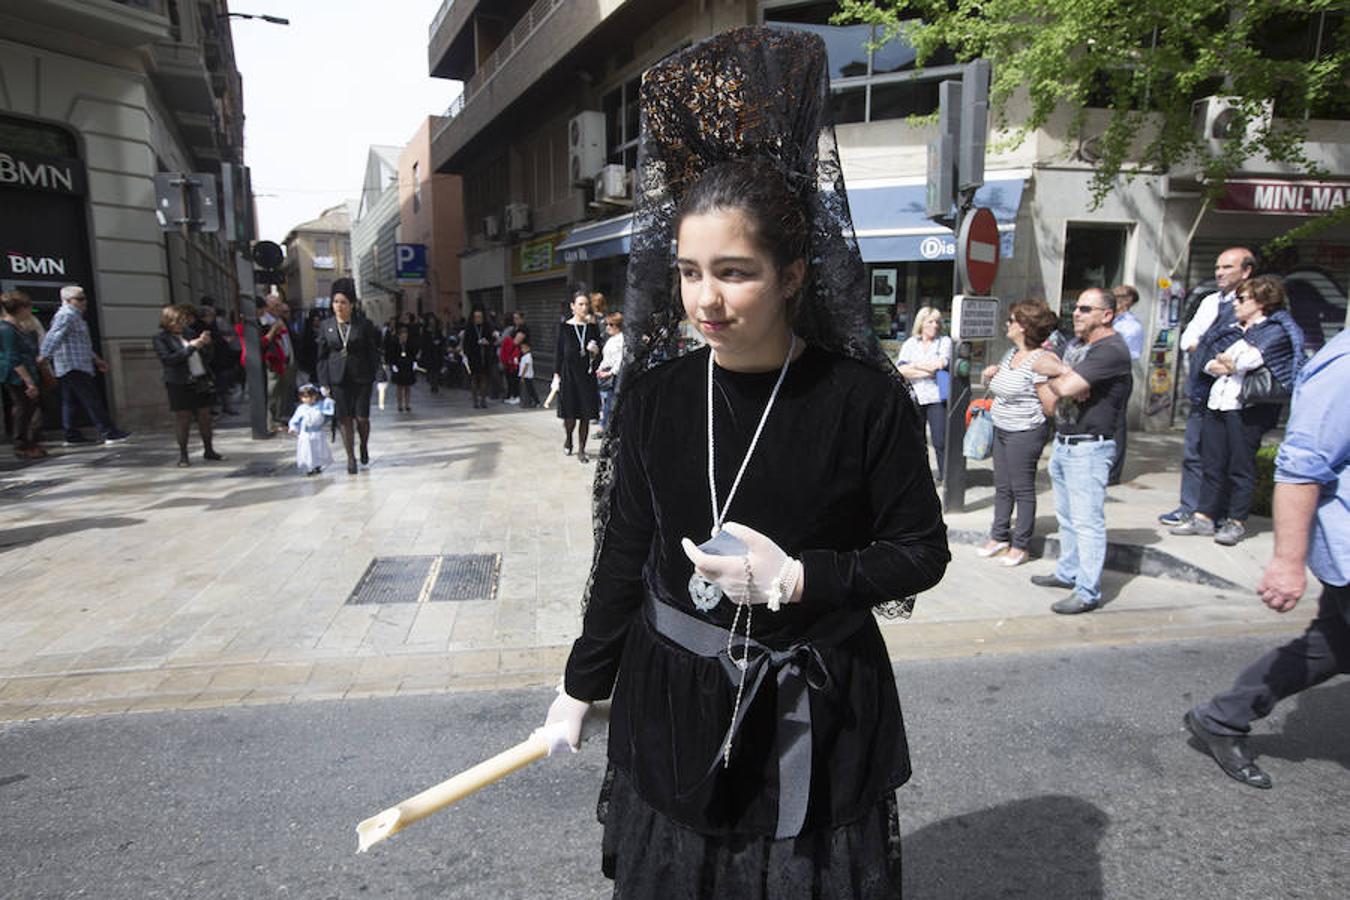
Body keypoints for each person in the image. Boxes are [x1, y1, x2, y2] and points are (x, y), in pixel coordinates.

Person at [540, 29, 949, 899]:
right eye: (689, 273)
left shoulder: (862, 400)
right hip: (673, 695)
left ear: (795, 273)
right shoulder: (655, 398)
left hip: (816, 697)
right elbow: (624, 555)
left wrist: (800, 578)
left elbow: (920, 552)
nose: (706, 301)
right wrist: (581, 684)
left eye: (735, 272)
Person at [1184, 326, 1349, 789]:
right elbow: (1300, 468)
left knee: (1330, 647)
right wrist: (1287, 561)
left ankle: (1222, 717)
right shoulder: (1346, 365)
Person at [1170, 275, 1303, 546]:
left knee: (1240, 466)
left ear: (1262, 302)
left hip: (1247, 408)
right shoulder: (1231, 328)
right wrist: (1221, 362)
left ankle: (1236, 520)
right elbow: (1206, 358)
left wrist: (1229, 362)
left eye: (1242, 299)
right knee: (1212, 461)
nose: (1236, 304)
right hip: (1217, 402)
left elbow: (1246, 361)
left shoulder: (1275, 331)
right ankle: (1204, 516)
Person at [1029, 287, 1133, 614]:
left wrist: (1062, 380)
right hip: (1064, 442)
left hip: (1090, 446)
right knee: (1067, 518)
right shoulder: (1076, 346)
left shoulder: (1111, 350)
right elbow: (1043, 366)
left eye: (1086, 309)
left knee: (1087, 522)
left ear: (1107, 315)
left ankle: (1087, 591)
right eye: (1076, 308)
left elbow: (1063, 389)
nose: (1076, 313)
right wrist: (1062, 373)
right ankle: (1068, 572)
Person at [1159, 247, 1255, 527]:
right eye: (1217, 267)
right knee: (1194, 452)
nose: (1219, 272)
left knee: (1226, 459)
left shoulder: (1251, 305)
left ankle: (1222, 513)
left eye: (1227, 267)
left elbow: (1238, 350)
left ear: (1246, 271)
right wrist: (1206, 351)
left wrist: (1208, 350)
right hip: (1203, 392)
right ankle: (1191, 507)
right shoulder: (1210, 301)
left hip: (1235, 398)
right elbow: (1187, 339)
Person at [977, 299, 1059, 567]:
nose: (1007, 325)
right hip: (1001, 428)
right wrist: (992, 375)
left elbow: (1049, 405)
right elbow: (1004, 386)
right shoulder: (1010, 354)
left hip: (1025, 431)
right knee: (1002, 486)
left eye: (1012, 320)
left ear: (1024, 326)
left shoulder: (1041, 360)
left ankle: (1021, 544)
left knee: (1022, 489)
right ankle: (999, 535)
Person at [36, 285, 131, 446]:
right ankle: (108, 432)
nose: (84, 302)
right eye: (79, 299)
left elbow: (81, 343)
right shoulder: (66, 315)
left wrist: (96, 359)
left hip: (75, 363)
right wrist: (44, 355)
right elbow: (54, 336)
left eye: (83, 298)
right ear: (67, 301)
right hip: (73, 365)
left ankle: (72, 434)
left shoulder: (75, 316)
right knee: (91, 399)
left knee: (70, 401)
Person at [315, 278, 381, 474]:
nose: (339, 306)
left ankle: (363, 445)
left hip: (362, 377)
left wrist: (380, 373)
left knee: (361, 417)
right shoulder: (326, 325)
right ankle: (350, 457)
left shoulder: (364, 325)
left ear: (351, 305)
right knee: (344, 418)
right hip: (338, 379)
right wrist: (323, 382)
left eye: (343, 302)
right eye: (336, 302)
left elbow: (373, 351)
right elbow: (321, 357)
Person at [152, 304, 223, 467]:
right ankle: (184, 455)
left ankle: (209, 450)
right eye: (178, 321)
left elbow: (207, 357)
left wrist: (207, 344)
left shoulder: (189, 333)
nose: (181, 324)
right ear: (168, 322)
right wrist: (191, 347)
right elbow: (169, 360)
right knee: (183, 419)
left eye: (183, 321)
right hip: (179, 382)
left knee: (205, 416)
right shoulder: (161, 339)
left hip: (200, 378)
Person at [896, 306, 952, 482]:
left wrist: (915, 365)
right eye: (931, 321)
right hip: (915, 396)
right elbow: (901, 370)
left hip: (936, 397)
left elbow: (940, 365)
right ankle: (920, 476)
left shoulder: (944, 342)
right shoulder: (910, 343)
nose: (935, 325)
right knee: (916, 440)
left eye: (937, 322)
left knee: (940, 440)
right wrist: (928, 368)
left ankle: (944, 476)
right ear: (921, 323)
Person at [553, 291, 601, 462]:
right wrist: (556, 376)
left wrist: (595, 352)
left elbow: (599, 355)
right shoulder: (564, 328)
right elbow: (559, 354)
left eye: (586, 304)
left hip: (586, 376)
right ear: (573, 306)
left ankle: (582, 449)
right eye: (580, 304)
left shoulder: (592, 328)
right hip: (568, 376)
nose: (584, 307)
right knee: (570, 415)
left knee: (586, 415)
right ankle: (568, 438)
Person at [0, 290, 46, 459]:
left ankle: (29, 443)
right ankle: (21, 445)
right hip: (17, 377)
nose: (30, 311)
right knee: (23, 409)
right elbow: (13, 358)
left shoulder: (20, 327)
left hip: (28, 372)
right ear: (20, 308)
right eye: (28, 307)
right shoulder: (6, 329)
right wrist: (29, 382)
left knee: (30, 408)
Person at [1108, 284, 1144, 485]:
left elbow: (1132, 355)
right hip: (1102, 376)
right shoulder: (1109, 320)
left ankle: (1113, 473)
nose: (1114, 299)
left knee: (1116, 424)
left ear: (1129, 300)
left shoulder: (1131, 326)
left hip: (1118, 376)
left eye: (1119, 296)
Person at [261, 293, 297, 432]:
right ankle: (271, 421)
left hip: (287, 359)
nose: (279, 308)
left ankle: (281, 418)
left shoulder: (281, 319)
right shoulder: (266, 321)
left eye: (279, 305)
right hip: (274, 361)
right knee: (273, 391)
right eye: (275, 306)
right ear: (267, 307)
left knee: (284, 390)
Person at [197, 302, 238, 415]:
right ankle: (217, 407)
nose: (212, 318)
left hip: (221, 360)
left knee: (223, 384)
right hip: (214, 361)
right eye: (210, 316)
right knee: (218, 385)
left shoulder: (213, 326)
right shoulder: (201, 327)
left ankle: (223, 407)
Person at [288, 383, 334, 476]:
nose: (307, 399)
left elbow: (329, 410)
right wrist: (293, 427)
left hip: (318, 432)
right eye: (304, 397)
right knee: (307, 451)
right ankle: (309, 467)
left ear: (315, 396)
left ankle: (317, 465)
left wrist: (327, 397)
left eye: (309, 396)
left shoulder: (320, 405)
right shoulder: (301, 408)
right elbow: (295, 419)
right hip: (306, 434)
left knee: (318, 449)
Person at [461, 308, 496, 409]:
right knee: (474, 378)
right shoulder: (469, 328)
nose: (478, 319)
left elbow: (493, 340)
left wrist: (488, 342)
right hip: (473, 356)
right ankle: (475, 400)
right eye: (476, 317)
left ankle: (483, 400)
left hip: (485, 356)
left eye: (480, 317)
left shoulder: (487, 327)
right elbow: (466, 344)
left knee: (484, 378)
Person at [596, 311, 625, 432]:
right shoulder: (611, 339)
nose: (607, 327)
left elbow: (620, 358)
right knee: (606, 401)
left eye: (611, 325)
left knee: (612, 402)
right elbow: (607, 358)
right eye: (607, 324)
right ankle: (606, 426)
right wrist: (601, 368)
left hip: (616, 376)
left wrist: (611, 372)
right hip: (607, 373)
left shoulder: (621, 339)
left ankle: (607, 427)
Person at [388, 325, 418, 412]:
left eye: (406, 335)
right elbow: (391, 354)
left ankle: (407, 404)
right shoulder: (395, 343)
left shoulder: (410, 343)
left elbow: (413, 354)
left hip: (408, 365)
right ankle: (399, 404)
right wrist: (393, 365)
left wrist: (414, 363)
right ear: (399, 335)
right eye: (403, 334)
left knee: (408, 386)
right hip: (399, 365)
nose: (404, 336)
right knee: (399, 386)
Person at [499, 325, 521, 405]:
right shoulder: (516, 342)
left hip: (508, 364)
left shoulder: (506, 341)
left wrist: (503, 362)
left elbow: (502, 353)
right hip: (514, 364)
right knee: (514, 381)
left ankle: (510, 395)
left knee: (509, 381)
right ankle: (515, 395)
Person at [517, 338, 540, 408]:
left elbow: (526, 367)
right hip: (526, 376)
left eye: (524, 348)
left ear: (528, 348)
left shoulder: (528, 356)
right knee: (528, 389)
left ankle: (536, 401)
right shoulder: (524, 356)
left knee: (530, 389)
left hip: (527, 376)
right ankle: (529, 401)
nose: (522, 350)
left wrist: (522, 376)